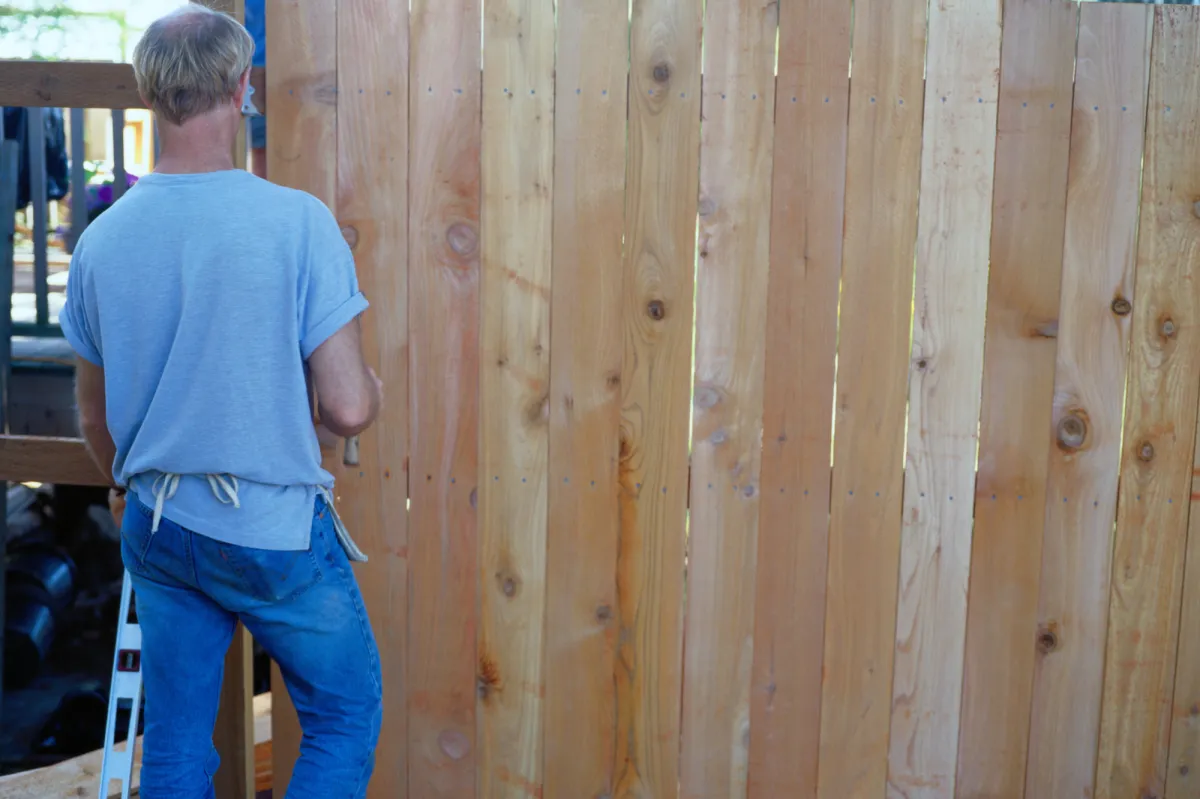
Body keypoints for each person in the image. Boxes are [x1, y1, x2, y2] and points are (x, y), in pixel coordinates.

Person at [58, 6, 385, 798]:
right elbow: (346, 408)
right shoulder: (295, 222)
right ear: (243, 88)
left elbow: (95, 418)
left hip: (161, 524)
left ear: (148, 96)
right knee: (344, 714)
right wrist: (367, 389)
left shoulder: (103, 240)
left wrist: (131, 481)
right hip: (269, 527)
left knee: (174, 745)